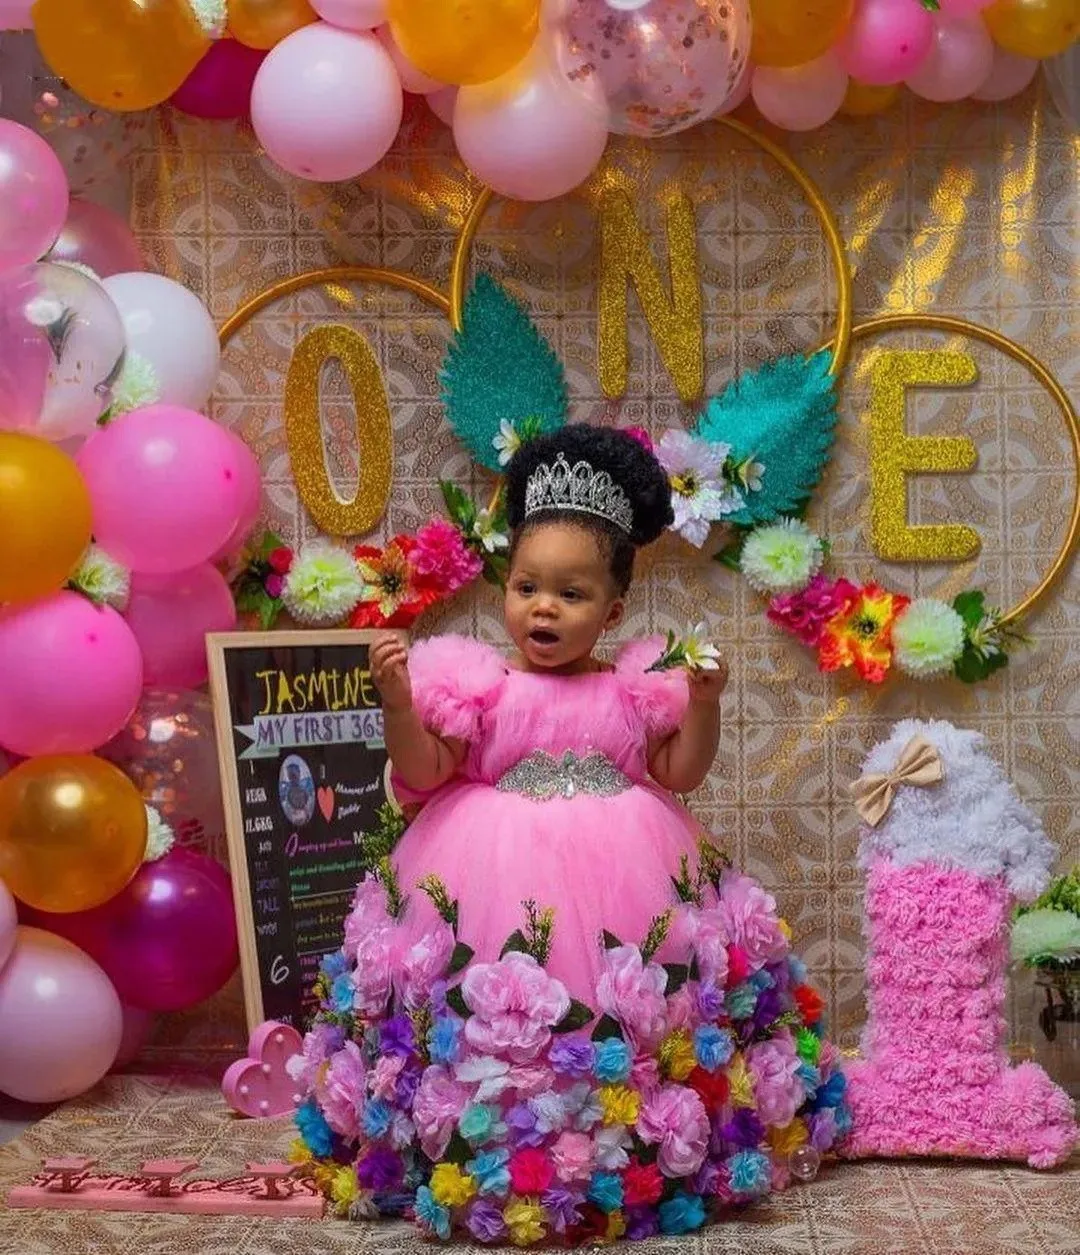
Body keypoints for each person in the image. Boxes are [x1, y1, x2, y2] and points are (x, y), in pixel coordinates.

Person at [292, 426, 849, 1239]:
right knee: (484, 996)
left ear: (614, 609)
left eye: (571, 593)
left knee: (624, 997)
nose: (543, 607)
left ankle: (621, 1146)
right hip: (485, 867)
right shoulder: (479, 682)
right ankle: (482, 1141)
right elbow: (427, 770)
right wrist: (398, 704)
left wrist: (703, 702)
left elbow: (681, 772)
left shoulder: (633, 688)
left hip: (627, 869)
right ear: (505, 589)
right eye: (526, 586)